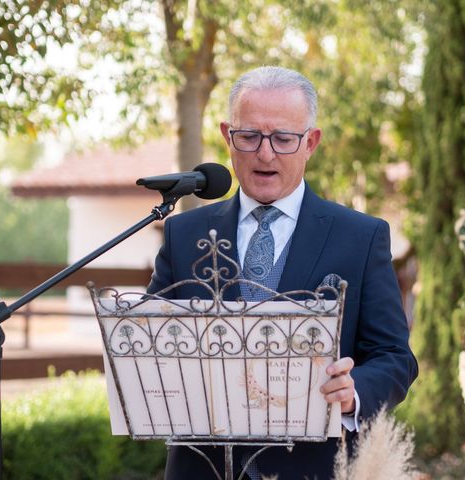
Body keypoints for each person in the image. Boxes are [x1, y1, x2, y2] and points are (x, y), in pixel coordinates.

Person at [147, 66, 417, 480]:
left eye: (283, 139)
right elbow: (152, 342)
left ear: (311, 142)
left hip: (315, 468)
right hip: (201, 469)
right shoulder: (184, 233)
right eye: (250, 136)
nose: (265, 153)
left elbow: (395, 358)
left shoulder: (362, 237)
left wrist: (354, 392)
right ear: (227, 136)